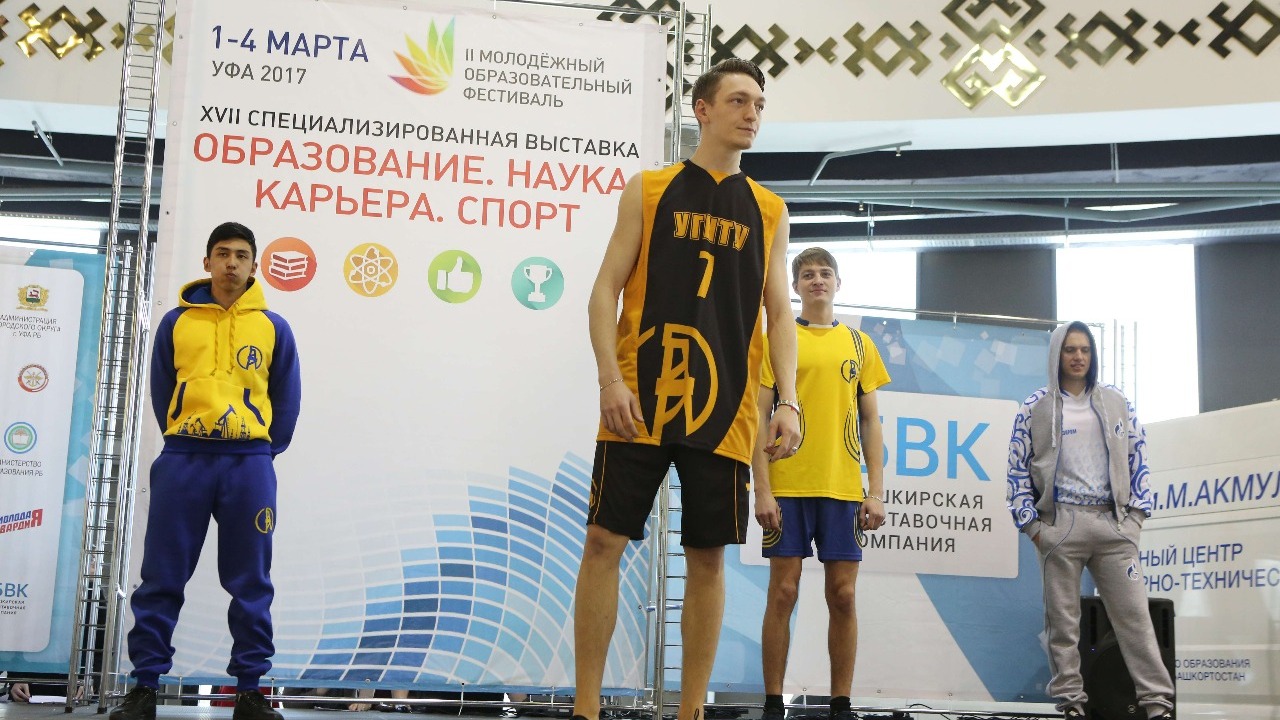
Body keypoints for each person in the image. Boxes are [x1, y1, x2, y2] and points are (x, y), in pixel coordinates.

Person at [573, 57, 800, 720]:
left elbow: (779, 312)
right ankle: (585, 708)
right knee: (602, 543)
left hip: (724, 407)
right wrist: (610, 380)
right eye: (738, 100)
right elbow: (603, 292)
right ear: (702, 109)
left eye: (759, 104)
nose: (752, 114)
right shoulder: (649, 189)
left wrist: (788, 400)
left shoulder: (769, 209)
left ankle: (690, 709)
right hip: (639, 397)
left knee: (707, 557)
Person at [110, 221, 302, 720]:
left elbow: (286, 398)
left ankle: (250, 691)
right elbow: (161, 391)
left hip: (249, 464)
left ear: (255, 266)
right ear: (207, 262)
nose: (231, 263)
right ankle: (145, 686)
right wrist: (186, 436)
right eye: (222, 253)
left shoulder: (274, 327)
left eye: (241, 255)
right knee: (161, 575)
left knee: (251, 580)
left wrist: (261, 451)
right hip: (183, 460)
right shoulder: (176, 322)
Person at [1006, 321, 1173, 720]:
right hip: (1061, 526)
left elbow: (1138, 458)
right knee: (1063, 624)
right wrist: (1035, 528)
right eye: (1070, 349)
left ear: (1092, 355)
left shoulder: (1117, 401)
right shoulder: (1034, 406)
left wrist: (1135, 520)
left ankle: (1158, 705)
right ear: (1057, 354)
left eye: (1084, 350)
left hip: (1113, 526)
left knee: (1136, 620)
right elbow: (1016, 471)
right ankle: (1071, 704)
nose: (1078, 357)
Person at [752, 248, 890, 720]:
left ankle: (841, 704)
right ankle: (773, 703)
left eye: (825, 273)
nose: (817, 280)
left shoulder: (859, 344)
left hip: (843, 488)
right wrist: (762, 489)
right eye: (807, 274)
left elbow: (871, 422)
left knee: (844, 596)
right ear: (795, 286)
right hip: (787, 484)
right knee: (783, 592)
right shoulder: (778, 339)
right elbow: (758, 417)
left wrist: (876, 491)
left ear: (837, 283)